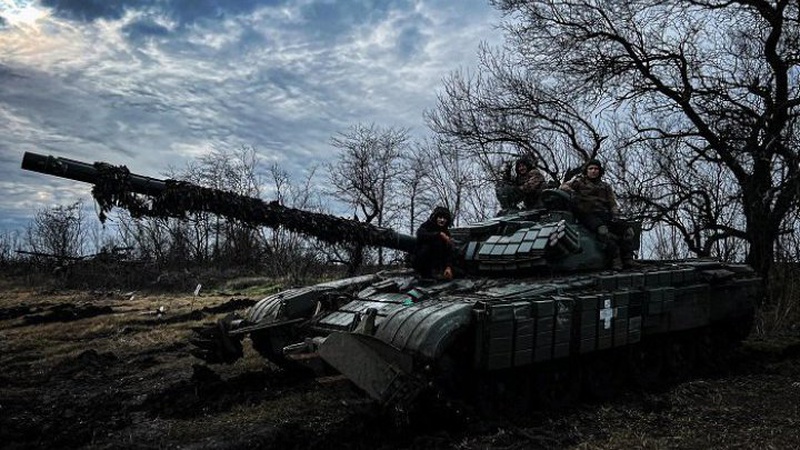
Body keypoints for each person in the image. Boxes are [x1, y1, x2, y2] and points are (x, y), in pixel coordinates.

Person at [560, 159, 636, 270]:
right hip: (587, 215)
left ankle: (628, 259)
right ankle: (615, 259)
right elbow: (563, 187)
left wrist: (615, 214)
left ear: (600, 171)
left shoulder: (605, 186)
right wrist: (572, 193)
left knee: (628, 231)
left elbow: (612, 203)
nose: (593, 171)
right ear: (586, 170)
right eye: (591, 168)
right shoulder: (578, 182)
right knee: (603, 231)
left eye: (596, 169)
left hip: (604, 214)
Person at [413, 206, 455, 279]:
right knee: (430, 244)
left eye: (445, 218)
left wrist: (448, 267)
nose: (442, 220)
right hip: (422, 261)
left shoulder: (446, 232)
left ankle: (438, 271)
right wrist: (439, 234)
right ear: (435, 217)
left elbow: (449, 252)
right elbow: (420, 235)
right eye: (440, 217)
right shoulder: (426, 226)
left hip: (438, 265)